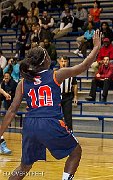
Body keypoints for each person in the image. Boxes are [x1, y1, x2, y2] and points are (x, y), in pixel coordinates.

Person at [0, 30, 101, 180]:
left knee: (24, 166)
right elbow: (84, 65)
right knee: (76, 152)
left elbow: (11, 110)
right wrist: (96, 47)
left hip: (30, 125)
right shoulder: (55, 75)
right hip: (50, 122)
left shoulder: (23, 82)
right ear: (45, 60)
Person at [58, 55, 78, 131]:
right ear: (59, 62)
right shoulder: (55, 72)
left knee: (68, 117)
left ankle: (70, 133)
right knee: (57, 116)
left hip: (68, 96)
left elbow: (75, 85)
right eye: (62, 61)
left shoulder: (71, 72)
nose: (63, 63)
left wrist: (75, 96)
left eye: (65, 61)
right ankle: (57, 133)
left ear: (68, 62)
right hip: (57, 97)